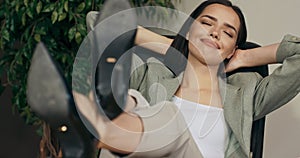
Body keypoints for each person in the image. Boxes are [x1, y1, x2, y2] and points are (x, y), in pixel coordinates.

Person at [72, 0, 300, 157]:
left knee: (168, 117)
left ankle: (106, 124)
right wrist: (177, 47)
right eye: (206, 23)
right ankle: (116, 115)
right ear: (188, 31)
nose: (215, 33)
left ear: (232, 49)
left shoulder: (246, 93)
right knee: (132, 103)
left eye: (228, 33)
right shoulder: (151, 74)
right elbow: (99, 22)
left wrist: (248, 56)